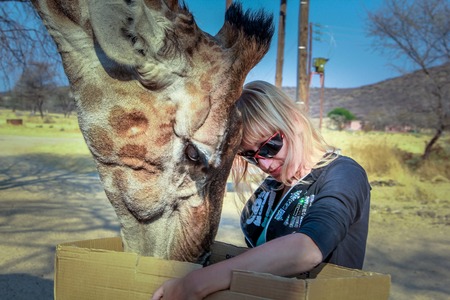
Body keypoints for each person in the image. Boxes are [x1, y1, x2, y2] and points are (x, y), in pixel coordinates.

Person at [152, 81, 371, 300]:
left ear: (294, 122)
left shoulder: (343, 173)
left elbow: (308, 248)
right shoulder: (273, 184)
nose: (264, 165)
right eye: (250, 155)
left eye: (269, 146)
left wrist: (198, 282)